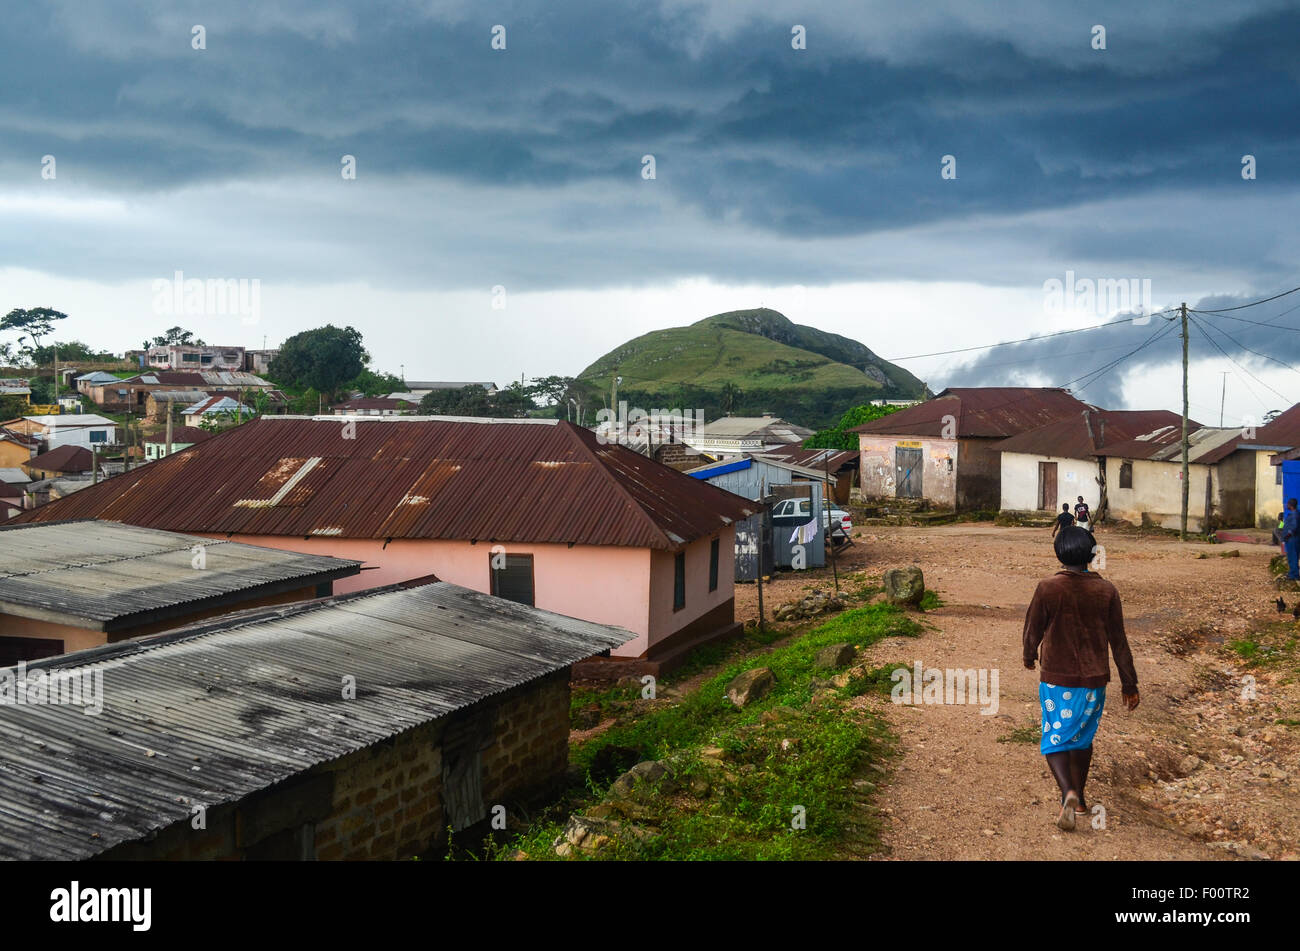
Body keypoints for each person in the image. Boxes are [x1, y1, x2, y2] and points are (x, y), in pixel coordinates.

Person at [1023, 526, 1140, 831]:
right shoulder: (1106, 591)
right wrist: (1130, 683)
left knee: (1054, 738)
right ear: (1091, 555)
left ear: (1059, 554)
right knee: (1082, 739)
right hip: (1093, 681)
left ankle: (1068, 792)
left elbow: (1032, 628)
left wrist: (1028, 655)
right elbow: (1119, 640)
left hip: (1056, 679)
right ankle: (1083, 799)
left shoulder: (1047, 588)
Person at [1283, 499, 1300, 581]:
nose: (1286, 505)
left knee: (1293, 557)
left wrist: (1288, 535)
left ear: (1291, 505)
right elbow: (1283, 525)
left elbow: (1294, 527)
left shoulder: (1294, 515)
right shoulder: (1293, 514)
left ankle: (1294, 575)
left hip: (1292, 539)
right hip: (1291, 539)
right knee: (1292, 557)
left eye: (1288, 504)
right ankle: (1292, 573)